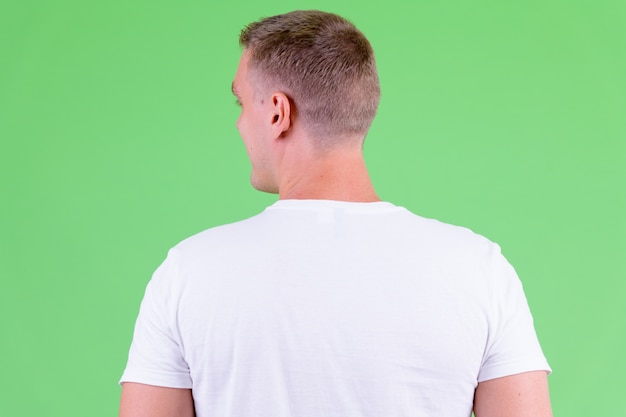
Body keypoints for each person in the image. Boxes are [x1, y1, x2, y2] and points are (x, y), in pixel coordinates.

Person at [119, 10, 552, 417]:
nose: (238, 124)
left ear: (277, 113)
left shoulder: (190, 271)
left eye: (241, 105)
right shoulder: (479, 268)